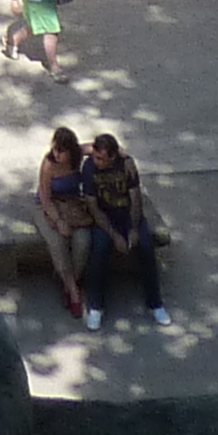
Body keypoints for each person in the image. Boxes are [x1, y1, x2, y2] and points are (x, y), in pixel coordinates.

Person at [84, 130, 169, 324]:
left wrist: (133, 228)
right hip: (104, 218)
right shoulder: (89, 168)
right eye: (95, 157)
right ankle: (96, 306)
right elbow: (93, 207)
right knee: (98, 250)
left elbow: (135, 198)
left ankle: (155, 303)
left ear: (113, 157)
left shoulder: (127, 167)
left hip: (126, 215)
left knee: (147, 247)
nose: (97, 161)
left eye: (102, 159)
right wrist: (114, 235)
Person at [33, 125, 96, 323]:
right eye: (54, 149)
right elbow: (44, 197)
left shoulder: (77, 156)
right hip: (49, 207)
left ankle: (70, 283)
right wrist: (58, 220)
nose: (56, 154)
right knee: (58, 242)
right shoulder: (48, 164)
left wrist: (120, 153)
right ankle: (75, 293)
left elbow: (97, 146)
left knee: (83, 241)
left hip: (72, 206)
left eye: (61, 150)